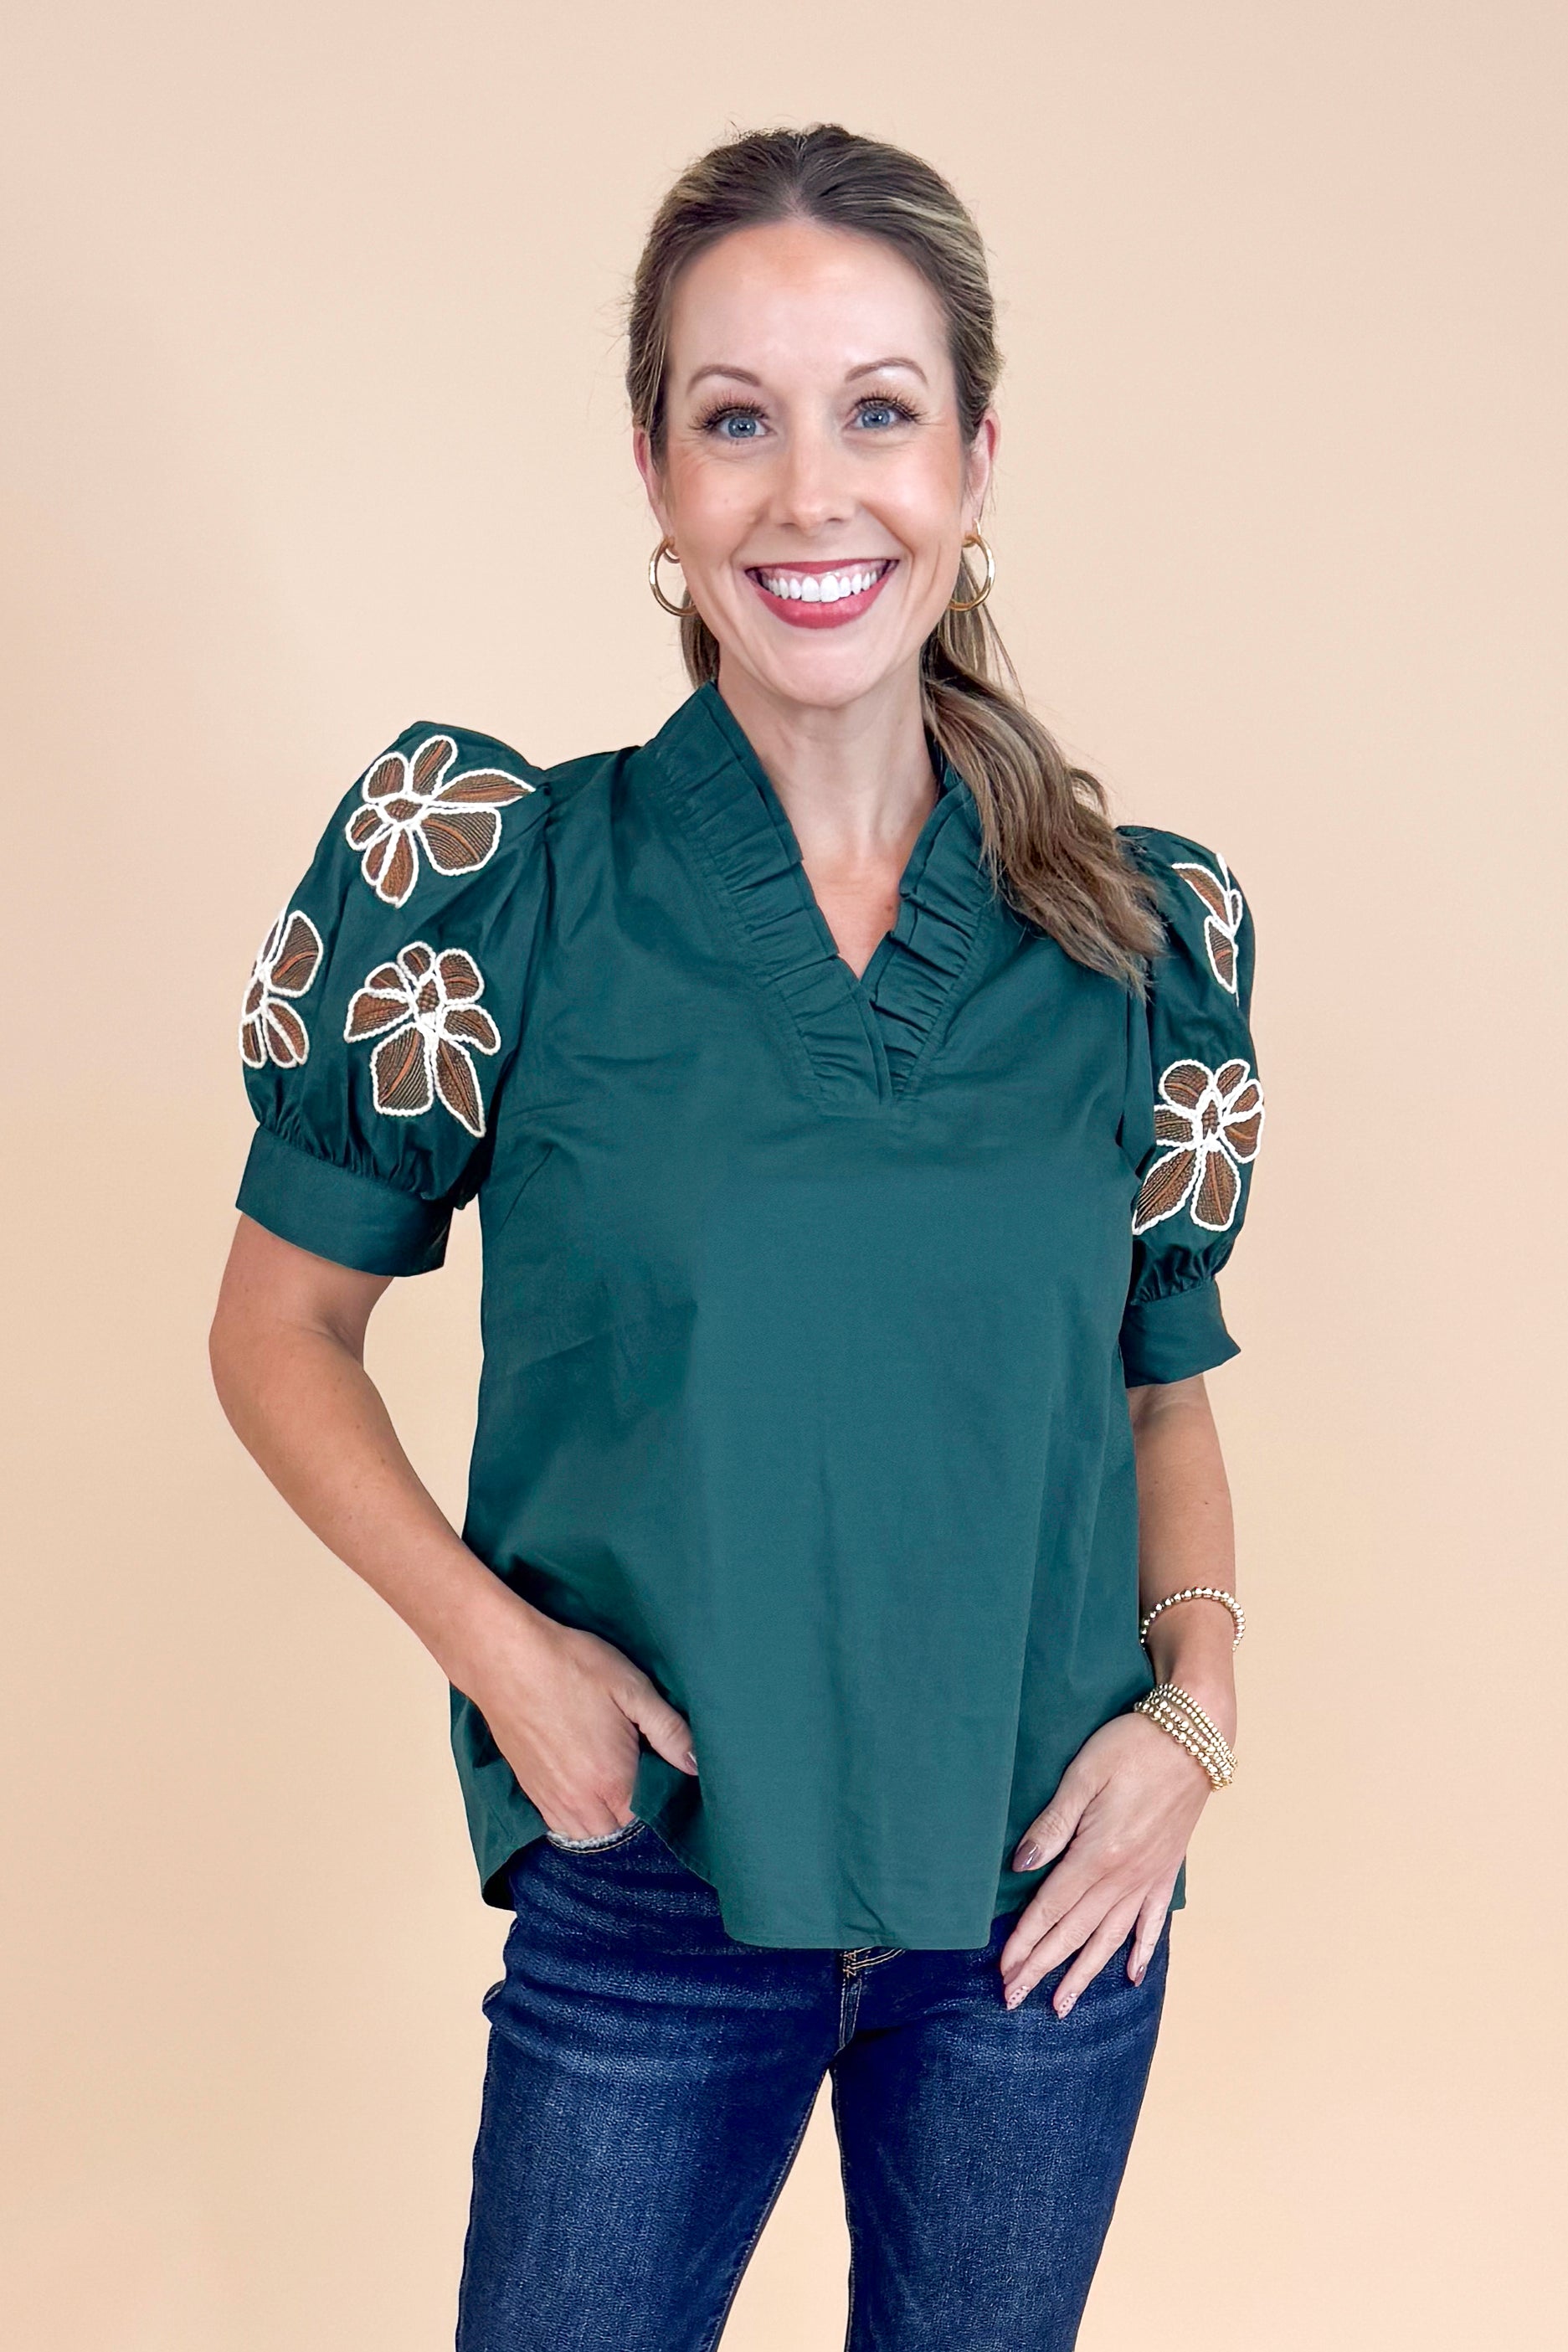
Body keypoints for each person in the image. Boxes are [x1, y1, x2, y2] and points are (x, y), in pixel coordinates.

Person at [211, 121, 1264, 2352]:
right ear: (654, 470)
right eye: (736, 420)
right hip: (657, 1895)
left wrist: (1196, 1708)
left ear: (976, 456)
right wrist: (505, 1660)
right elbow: (278, 1326)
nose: (812, 494)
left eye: (878, 410)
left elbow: (1155, 1380)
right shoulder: (501, 878)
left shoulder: (1131, 934)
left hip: (1039, 1911)